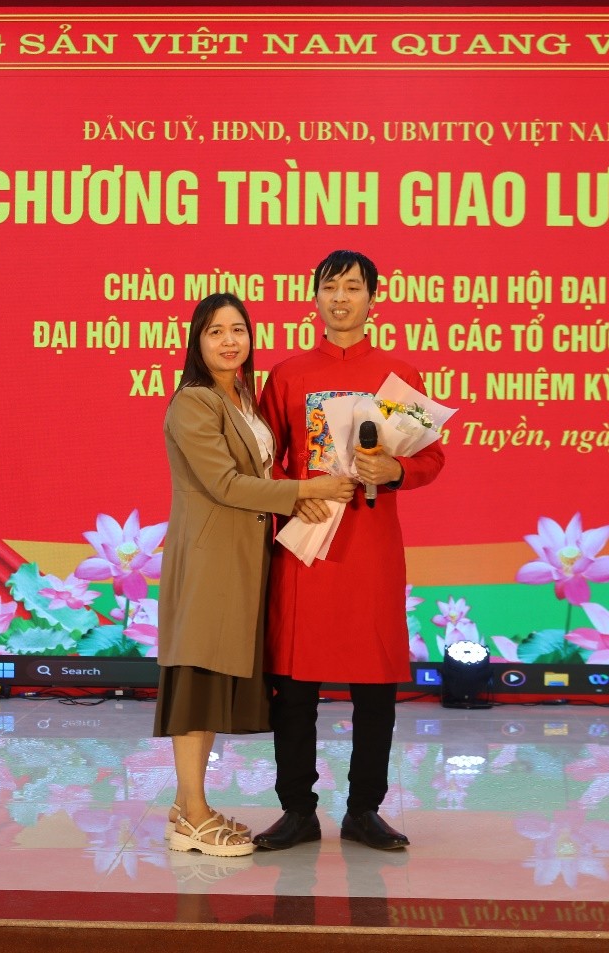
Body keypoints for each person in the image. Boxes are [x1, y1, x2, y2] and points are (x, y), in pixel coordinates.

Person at [254, 250, 445, 852]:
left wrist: (395, 469)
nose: (341, 298)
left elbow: (431, 457)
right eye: (330, 287)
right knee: (295, 686)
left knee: (375, 685)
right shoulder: (287, 375)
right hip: (307, 544)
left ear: (372, 298)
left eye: (353, 287)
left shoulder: (397, 376)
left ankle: (364, 809)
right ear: (314, 297)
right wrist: (293, 495)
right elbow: (265, 458)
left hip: (371, 546)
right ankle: (297, 810)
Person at [155, 292, 355, 858]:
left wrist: (297, 496)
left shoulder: (242, 396)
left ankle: (186, 806)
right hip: (210, 561)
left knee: (213, 679)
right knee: (197, 680)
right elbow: (224, 483)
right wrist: (306, 490)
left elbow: (261, 472)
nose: (229, 341)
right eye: (215, 331)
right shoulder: (194, 401)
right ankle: (194, 814)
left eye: (238, 329)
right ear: (197, 341)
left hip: (243, 558)